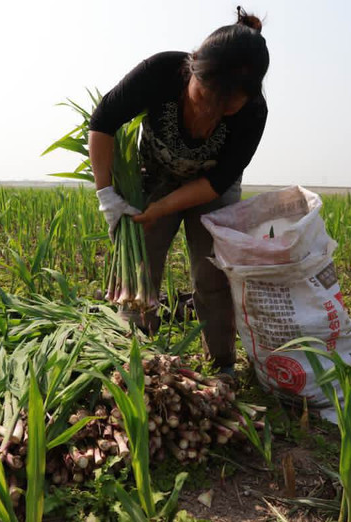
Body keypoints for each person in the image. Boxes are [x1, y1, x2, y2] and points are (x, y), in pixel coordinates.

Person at [89, 7, 269, 375]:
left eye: (226, 110)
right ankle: (133, 354)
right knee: (142, 258)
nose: (208, 117)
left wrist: (161, 209)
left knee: (213, 271)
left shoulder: (253, 113)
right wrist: (107, 195)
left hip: (211, 190)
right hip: (155, 175)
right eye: (204, 99)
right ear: (193, 68)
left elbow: (216, 183)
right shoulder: (159, 72)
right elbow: (103, 120)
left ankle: (222, 365)